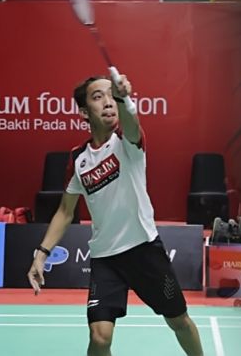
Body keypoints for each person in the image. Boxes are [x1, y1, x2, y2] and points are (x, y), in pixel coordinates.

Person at [27, 75, 203, 356]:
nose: (107, 102)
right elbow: (65, 210)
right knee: (99, 338)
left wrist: (124, 98)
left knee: (178, 320)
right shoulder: (78, 159)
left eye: (111, 96)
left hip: (144, 251)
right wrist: (41, 253)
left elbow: (132, 124)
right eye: (98, 97)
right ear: (84, 112)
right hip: (105, 258)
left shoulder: (127, 142)